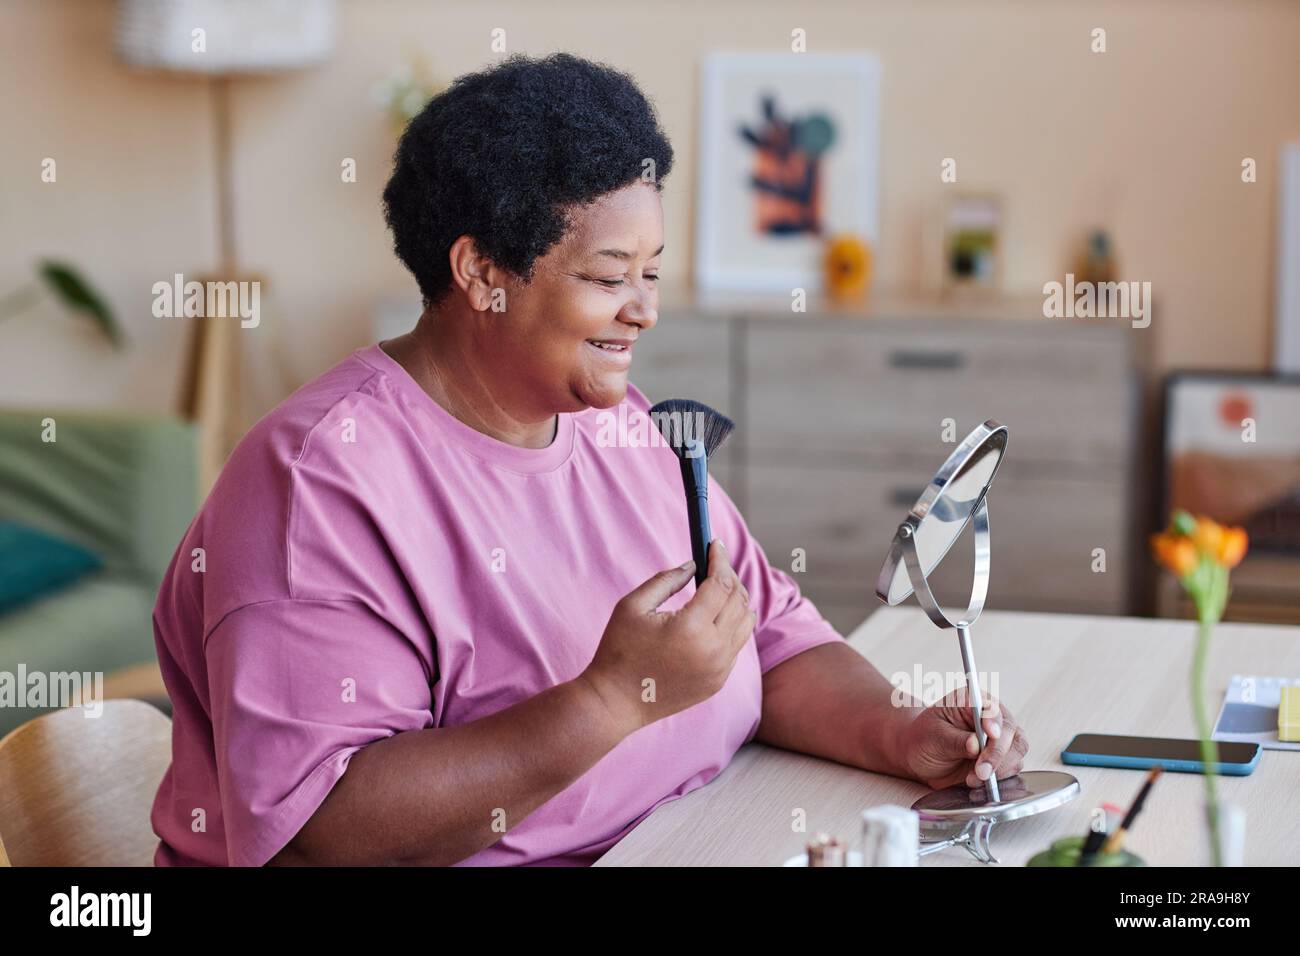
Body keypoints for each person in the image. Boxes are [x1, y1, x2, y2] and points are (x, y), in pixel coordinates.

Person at [150, 53, 1028, 866]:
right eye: (610, 278)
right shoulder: (318, 483)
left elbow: (771, 639)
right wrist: (612, 701)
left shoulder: (622, 428)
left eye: (652, 271)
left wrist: (902, 733)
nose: (643, 310)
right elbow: (317, 832)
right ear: (482, 272)